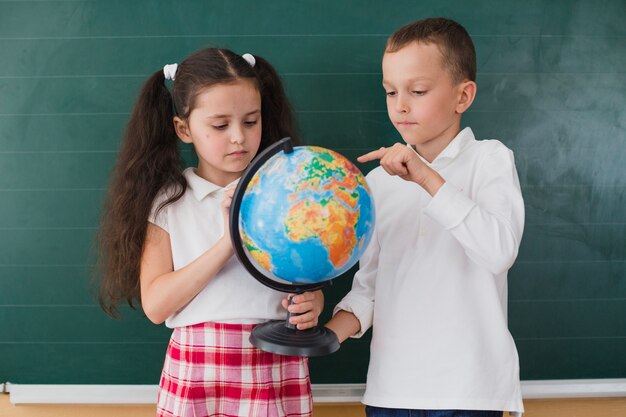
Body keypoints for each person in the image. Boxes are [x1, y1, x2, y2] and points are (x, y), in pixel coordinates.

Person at [97, 47, 323, 417]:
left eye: (251, 121)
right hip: (198, 369)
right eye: (220, 125)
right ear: (184, 129)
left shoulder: (286, 192)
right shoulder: (168, 203)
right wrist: (226, 245)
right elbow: (155, 305)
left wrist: (312, 304)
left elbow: (308, 279)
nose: (239, 137)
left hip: (274, 362)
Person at [325, 18, 525, 417]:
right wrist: (328, 335)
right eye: (390, 91)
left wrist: (426, 178)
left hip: (468, 391)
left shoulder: (490, 160)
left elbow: (499, 251)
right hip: (391, 391)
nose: (400, 105)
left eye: (417, 91)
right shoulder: (379, 182)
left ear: (462, 96)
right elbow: (370, 288)